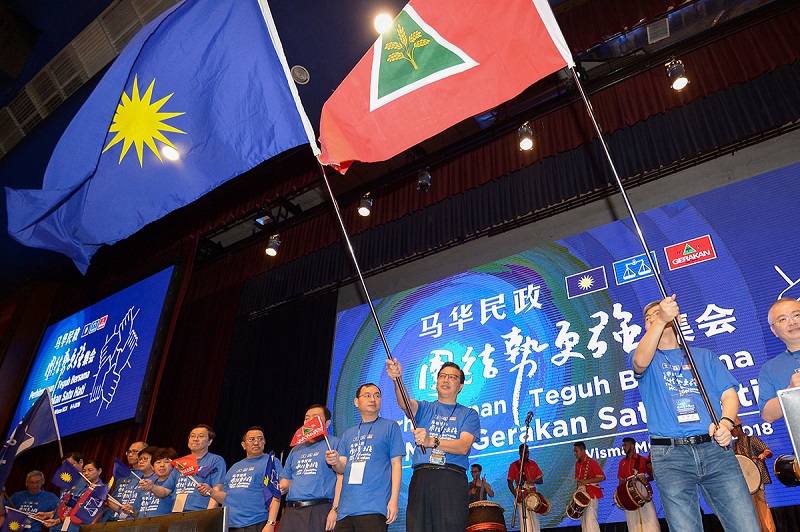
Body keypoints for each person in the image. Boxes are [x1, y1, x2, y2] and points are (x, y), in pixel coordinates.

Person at [631, 295, 759, 531]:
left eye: (659, 314)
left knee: (746, 526)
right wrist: (661, 320)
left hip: (715, 450)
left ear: (677, 318)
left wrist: (726, 423)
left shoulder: (704, 356)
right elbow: (640, 361)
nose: (654, 320)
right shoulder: (645, 358)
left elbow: (729, 396)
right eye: (649, 319)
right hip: (670, 456)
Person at [385, 359, 480, 532]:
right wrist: (397, 379)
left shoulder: (468, 414)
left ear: (460, 386)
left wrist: (432, 442)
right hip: (422, 478)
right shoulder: (425, 408)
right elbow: (404, 403)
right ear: (436, 383)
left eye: (452, 377)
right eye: (442, 376)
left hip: (451, 479)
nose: (446, 380)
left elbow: (463, 446)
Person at [325, 383, 403, 531]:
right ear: (356, 402)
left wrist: (394, 500)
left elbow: (396, 465)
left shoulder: (390, 426)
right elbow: (341, 467)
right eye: (367, 395)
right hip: (345, 511)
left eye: (377, 395)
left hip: (374, 508)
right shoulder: (348, 433)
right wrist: (335, 462)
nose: (373, 399)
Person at [200, 427, 281, 532]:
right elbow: (226, 497)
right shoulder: (235, 467)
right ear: (243, 445)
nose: (256, 442)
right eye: (251, 439)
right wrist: (211, 491)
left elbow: (276, 494)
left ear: (264, 442)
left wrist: (271, 523)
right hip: (230, 525)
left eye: (260, 439)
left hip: (255, 523)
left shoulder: (271, 462)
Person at [280, 405, 341, 532]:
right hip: (291, 511)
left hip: (319, 510)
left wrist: (335, 509)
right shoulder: (296, 449)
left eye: (315, 418)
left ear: (327, 423)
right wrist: (280, 488)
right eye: (307, 418)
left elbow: (342, 477)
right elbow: (286, 481)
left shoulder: (335, 444)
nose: (310, 421)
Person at [758, 297, 800, 422]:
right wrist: (790, 391)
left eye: (797, 315)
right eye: (783, 319)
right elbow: (767, 415)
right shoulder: (770, 369)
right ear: (774, 330)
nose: (792, 322)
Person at [732, 418, 776, 532]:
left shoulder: (752, 439)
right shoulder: (734, 444)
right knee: (750, 506)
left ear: (738, 428)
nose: (731, 433)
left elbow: (768, 451)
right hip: (745, 480)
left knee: (761, 504)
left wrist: (763, 455)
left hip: (757, 476)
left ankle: (768, 529)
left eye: (732, 430)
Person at [173, 425, 226, 512]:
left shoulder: (216, 460)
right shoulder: (181, 463)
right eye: (192, 436)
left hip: (199, 512)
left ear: (209, 442)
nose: (195, 439)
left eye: (201, 436)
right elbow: (166, 490)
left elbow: (217, 489)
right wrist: (151, 486)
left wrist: (209, 514)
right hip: (177, 512)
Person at [616, 438, 659, 532]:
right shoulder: (622, 463)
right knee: (633, 524)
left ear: (632, 446)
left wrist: (646, 480)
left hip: (644, 496)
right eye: (623, 445)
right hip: (629, 498)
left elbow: (653, 474)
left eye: (625, 445)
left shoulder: (642, 460)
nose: (623, 447)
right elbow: (621, 481)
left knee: (650, 522)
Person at [107, 441, 147, 521]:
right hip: (113, 521)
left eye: (135, 452)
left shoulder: (149, 476)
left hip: (135, 521)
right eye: (128, 452)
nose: (130, 455)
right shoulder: (122, 478)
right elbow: (112, 501)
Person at [507, 444, 543, 532]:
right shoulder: (514, 465)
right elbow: (509, 482)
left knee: (534, 520)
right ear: (520, 453)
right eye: (524, 453)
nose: (526, 454)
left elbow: (541, 480)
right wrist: (516, 495)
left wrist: (533, 481)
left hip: (533, 495)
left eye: (527, 452)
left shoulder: (533, 464)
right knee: (525, 521)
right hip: (521, 494)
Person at [573, 442, 604, 532]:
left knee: (590, 520)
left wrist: (587, 481)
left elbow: (602, 477)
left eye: (577, 451)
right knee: (584, 521)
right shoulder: (577, 464)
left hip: (591, 494)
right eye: (574, 451)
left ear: (583, 451)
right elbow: (578, 481)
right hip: (582, 495)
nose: (575, 453)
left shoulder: (592, 462)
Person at [138, 448, 178, 517]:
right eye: (158, 462)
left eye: (166, 462)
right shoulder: (147, 483)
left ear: (173, 466)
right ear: (152, 467)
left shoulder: (175, 483)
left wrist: (153, 487)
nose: (162, 465)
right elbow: (137, 513)